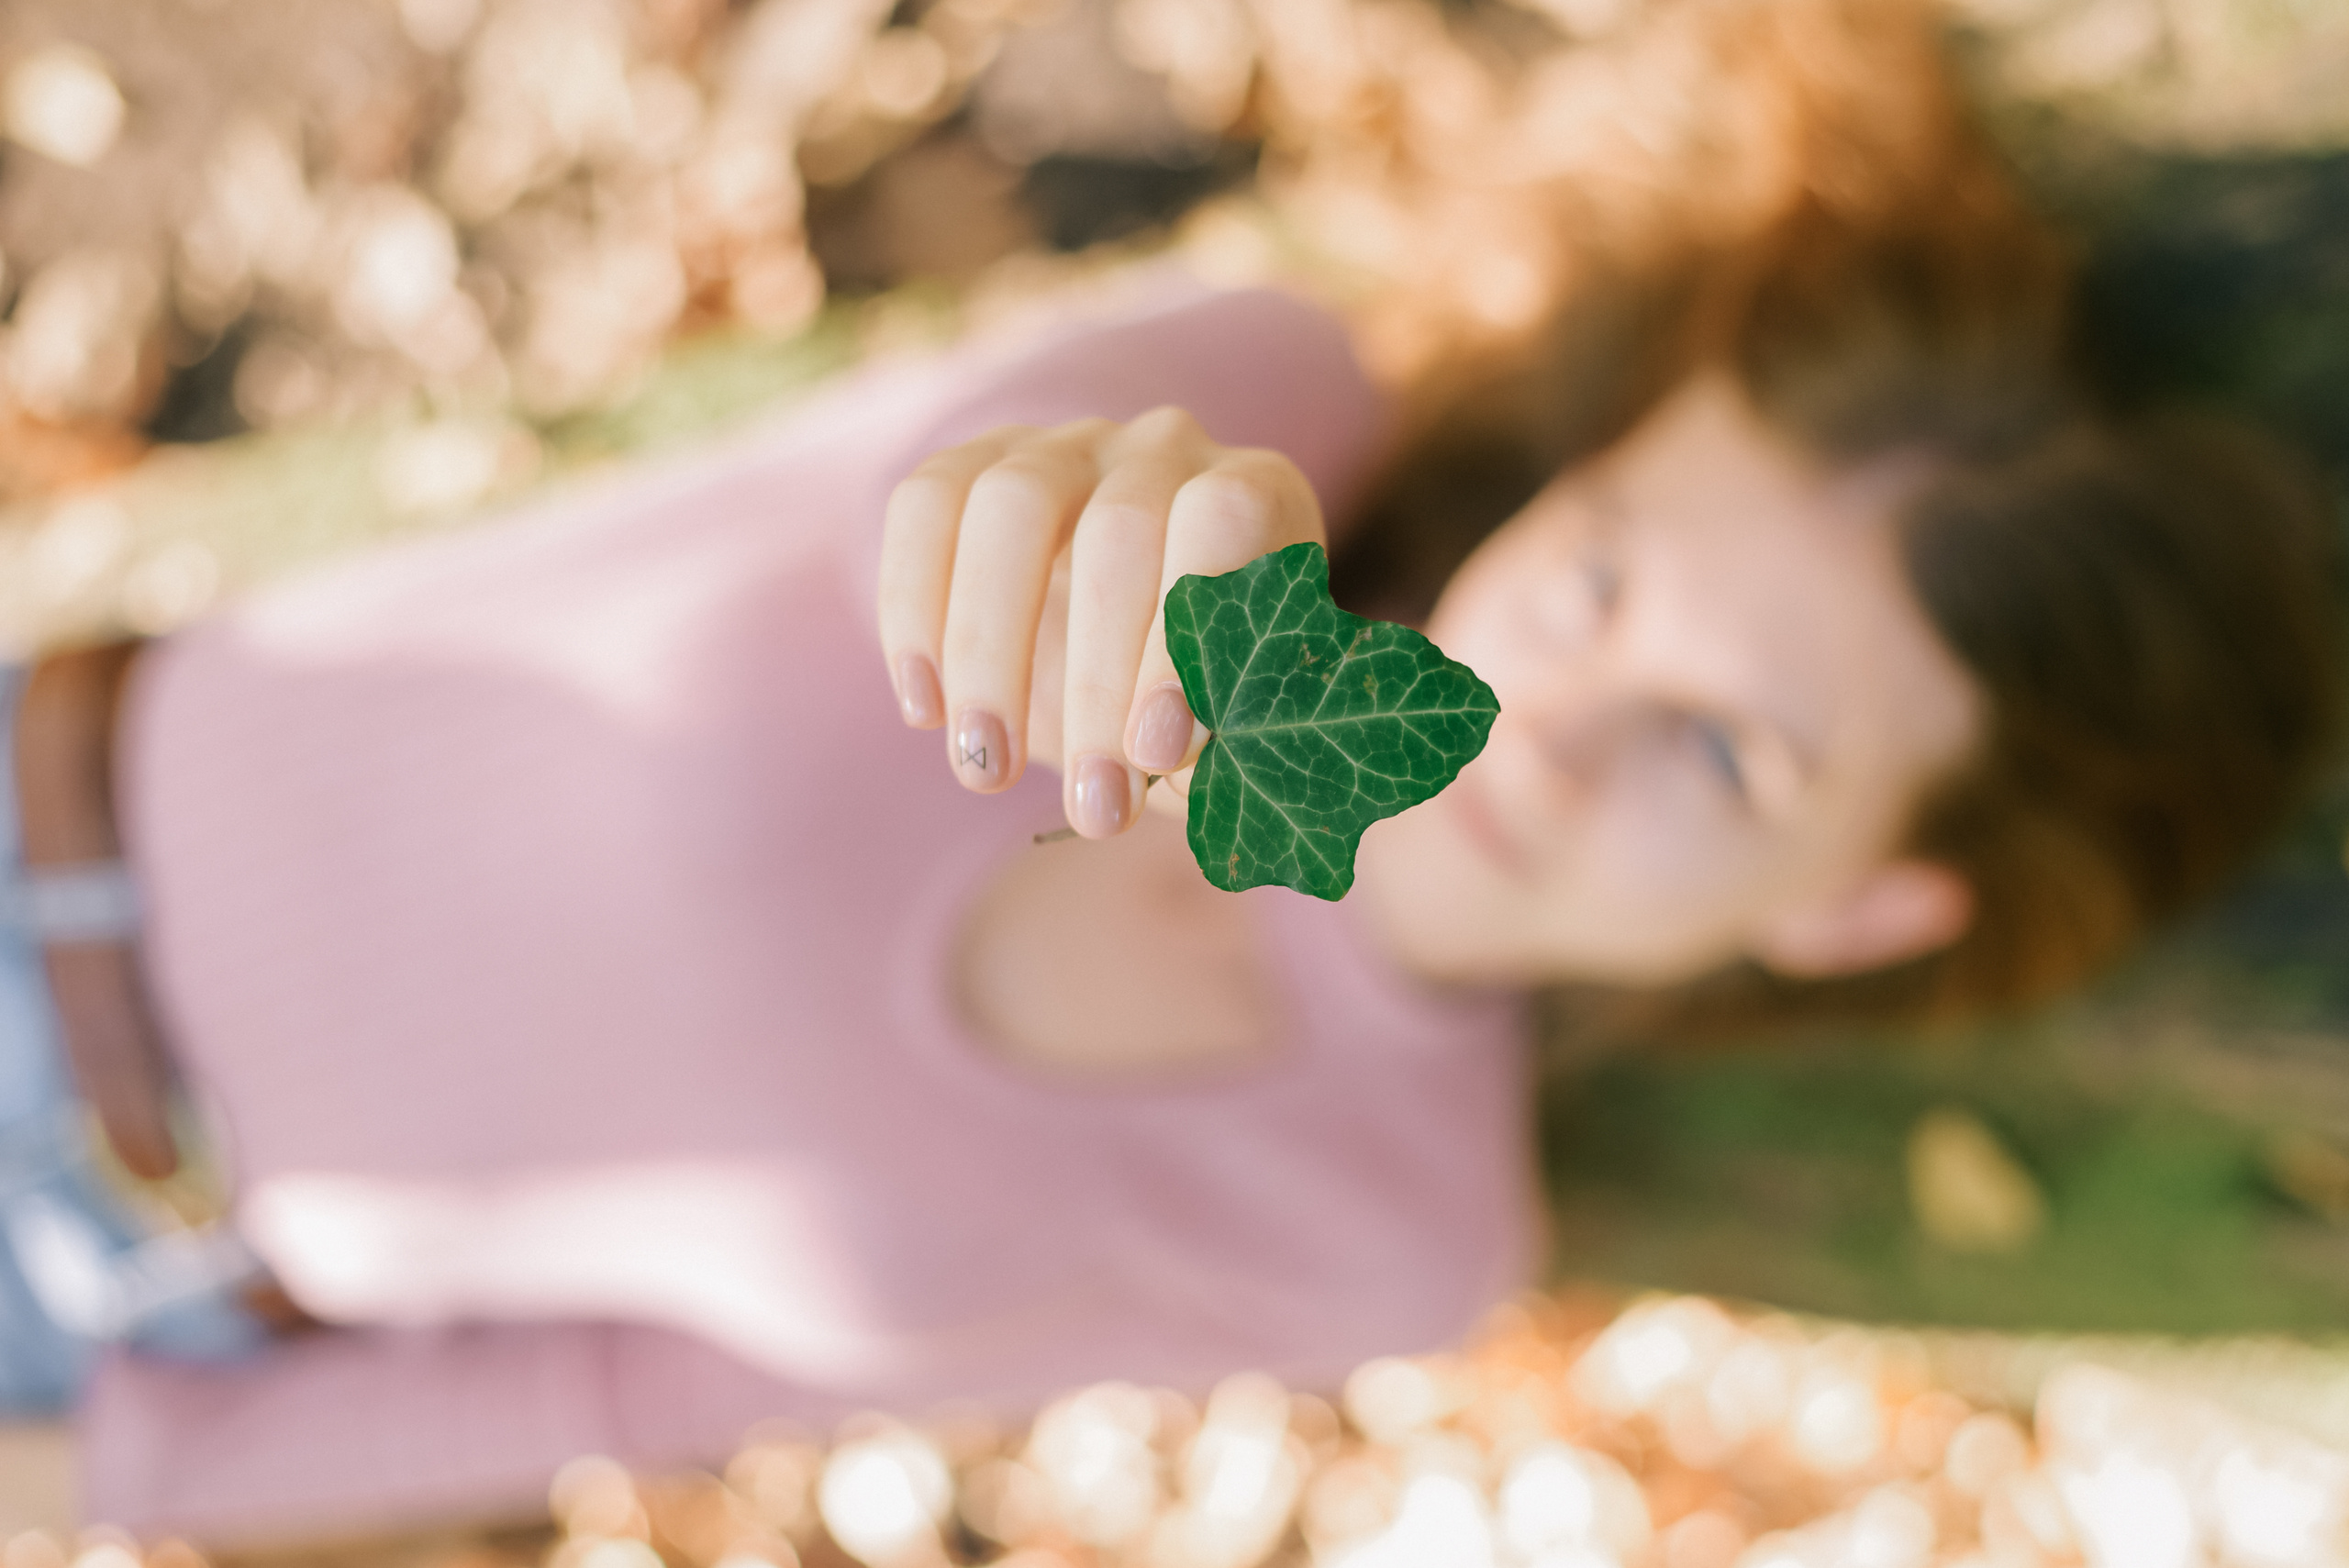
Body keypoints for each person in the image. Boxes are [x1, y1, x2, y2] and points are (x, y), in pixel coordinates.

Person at [9, 0, 2338, 1544]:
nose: (1563, 711)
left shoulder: (1387, 1230)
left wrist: (135, 1462)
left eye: (1727, 754)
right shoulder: (1258, 432)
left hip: (111, 1301)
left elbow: (652, 1384)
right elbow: (993, 493)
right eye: (1603, 576)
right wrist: (1138, 515)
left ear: (1855, 906)